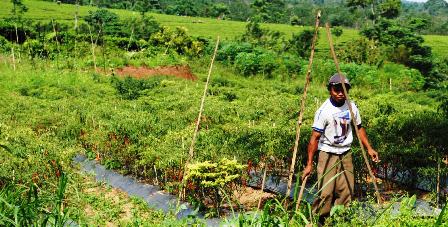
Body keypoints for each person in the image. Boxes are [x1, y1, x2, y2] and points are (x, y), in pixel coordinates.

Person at [301, 73, 379, 219]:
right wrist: (309, 164)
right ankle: (320, 221)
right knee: (326, 193)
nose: (341, 93)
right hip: (327, 153)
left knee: (346, 191)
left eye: (344, 89)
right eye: (337, 89)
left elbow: (359, 128)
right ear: (330, 90)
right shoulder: (324, 111)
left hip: (345, 153)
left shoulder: (352, 107)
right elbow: (314, 138)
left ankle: (340, 220)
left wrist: (369, 148)